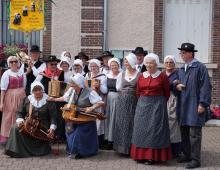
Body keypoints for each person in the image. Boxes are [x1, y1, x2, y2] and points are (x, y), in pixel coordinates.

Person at [48, 74, 104, 159]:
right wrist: (54, 99)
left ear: (79, 84)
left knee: (79, 134)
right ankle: (73, 150)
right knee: (69, 131)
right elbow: (64, 98)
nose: (71, 84)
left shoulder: (89, 92)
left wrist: (92, 107)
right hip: (73, 117)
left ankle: (83, 152)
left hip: (85, 118)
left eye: (73, 83)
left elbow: (100, 102)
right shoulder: (71, 90)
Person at [130, 53, 171, 164]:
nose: (148, 65)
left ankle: (152, 156)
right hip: (142, 105)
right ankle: (140, 155)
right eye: (146, 62)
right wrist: (143, 101)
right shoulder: (141, 75)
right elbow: (138, 92)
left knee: (154, 130)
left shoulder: (162, 76)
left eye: (151, 62)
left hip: (157, 104)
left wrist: (160, 103)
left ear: (156, 64)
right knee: (141, 129)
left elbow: (167, 92)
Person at [176, 43, 212, 169]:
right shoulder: (181, 69)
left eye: (184, 53)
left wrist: (203, 103)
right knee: (184, 132)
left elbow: (206, 87)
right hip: (183, 105)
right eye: (181, 53)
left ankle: (195, 159)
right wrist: (176, 86)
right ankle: (186, 155)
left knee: (194, 134)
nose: (182, 55)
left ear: (191, 53)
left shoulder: (200, 67)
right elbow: (176, 84)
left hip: (194, 105)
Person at [5, 81, 57, 158]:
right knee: (15, 127)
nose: (38, 92)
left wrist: (52, 128)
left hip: (43, 126)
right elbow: (19, 112)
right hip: (29, 123)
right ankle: (15, 151)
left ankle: (40, 150)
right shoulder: (27, 99)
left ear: (43, 90)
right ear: (32, 91)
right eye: (35, 90)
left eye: (40, 90)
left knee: (38, 130)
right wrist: (20, 121)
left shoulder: (49, 101)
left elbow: (53, 116)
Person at [113, 53, 139, 155]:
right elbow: (118, 88)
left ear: (132, 62)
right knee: (122, 123)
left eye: (127, 61)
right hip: (123, 101)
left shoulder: (139, 74)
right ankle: (121, 148)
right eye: (125, 61)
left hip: (134, 101)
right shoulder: (121, 74)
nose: (125, 63)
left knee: (131, 124)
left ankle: (130, 148)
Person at [0, 56, 26, 144]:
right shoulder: (6, 74)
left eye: (15, 61)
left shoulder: (22, 72)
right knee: (10, 116)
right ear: (9, 64)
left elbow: (24, 86)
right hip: (10, 97)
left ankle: (20, 136)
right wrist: (1, 103)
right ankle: (8, 136)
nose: (14, 63)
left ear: (18, 62)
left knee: (20, 115)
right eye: (11, 62)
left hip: (21, 96)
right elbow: (3, 90)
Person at [85, 59, 107, 149]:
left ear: (99, 67)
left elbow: (105, 91)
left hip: (98, 101)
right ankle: (89, 141)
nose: (93, 68)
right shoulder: (87, 75)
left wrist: (100, 85)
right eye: (91, 66)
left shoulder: (102, 76)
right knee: (89, 120)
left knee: (98, 121)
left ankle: (98, 143)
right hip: (88, 101)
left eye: (95, 66)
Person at [164, 55, 181, 158]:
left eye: (171, 62)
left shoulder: (178, 74)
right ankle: (165, 148)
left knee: (173, 123)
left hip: (173, 99)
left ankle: (175, 149)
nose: (169, 64)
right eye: (167, 62)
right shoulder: (162, 74)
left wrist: (174, 85)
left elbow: (178, 87)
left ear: (174, 64)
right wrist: (172, 84)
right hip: (163, 99)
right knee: (164, 123)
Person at [104, 58, 122, 150]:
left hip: (118, 97)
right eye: (112, 65)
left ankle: (115, 140)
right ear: (110, 66)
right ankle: (108, 139)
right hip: (109, 98)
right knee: (109, 118)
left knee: (115, 118)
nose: (114, 66)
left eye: (115, 65)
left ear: (119, 65)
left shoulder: (122, 75)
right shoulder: (107, 75)